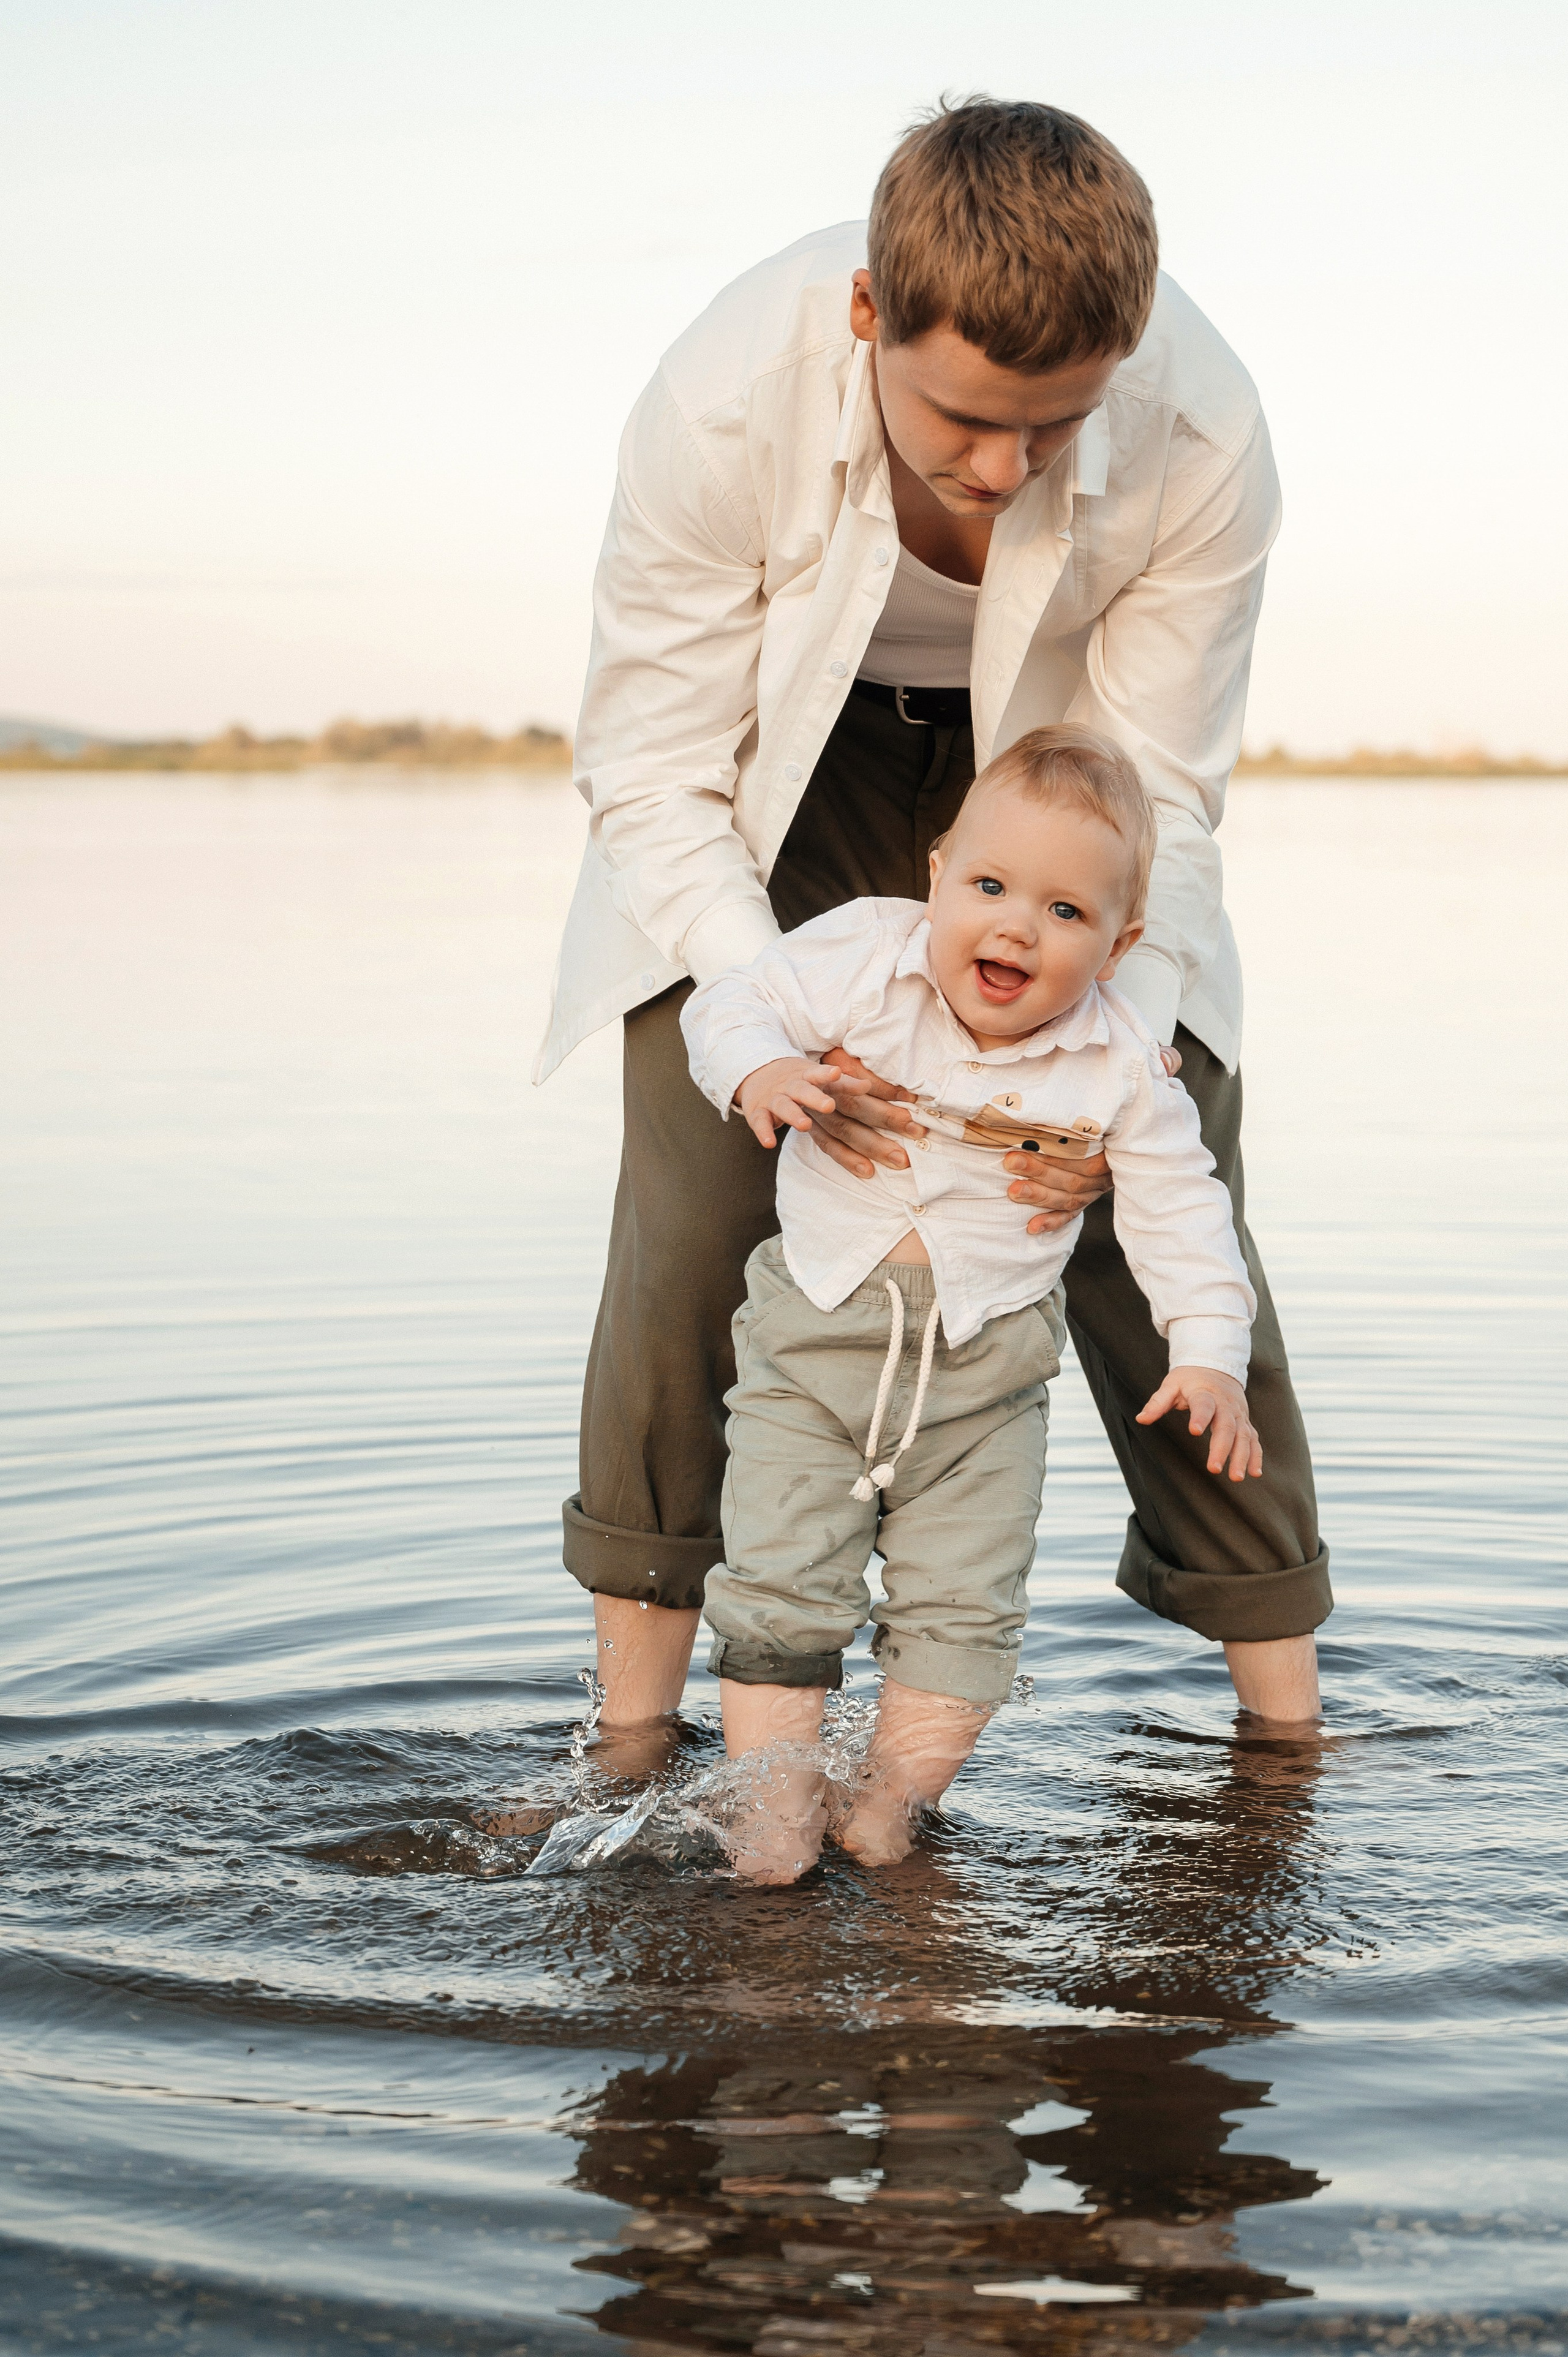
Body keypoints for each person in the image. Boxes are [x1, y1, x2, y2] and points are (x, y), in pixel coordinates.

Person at [537, 96, 1330, 1753]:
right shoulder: (720, 393)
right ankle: (628, 1737)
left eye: (1054, 427)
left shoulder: (1207, 432)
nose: (1002, 468)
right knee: (695, 1222)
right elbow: (654, 762)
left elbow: (1163, 798)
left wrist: (1128, 1050)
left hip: (1063, 803)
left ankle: (1287, 1731)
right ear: (865, 317)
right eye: (963, 418)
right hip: (767, 794)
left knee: (1166, 1207)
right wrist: (769, 1025)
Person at [682, 725, 1261, 1880]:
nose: (1015, 926)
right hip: (815, 1345)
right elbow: (731, 1004)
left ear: (1118, 943)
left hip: (986, 1380)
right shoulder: (863, 956)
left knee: (966, 1608)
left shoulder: (1118, 1060)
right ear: (938, 872)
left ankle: (890, 1810)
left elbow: (1182, 1208)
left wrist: (1210, 1355)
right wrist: (761, 1069)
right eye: (990, 886)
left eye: (1064, 912)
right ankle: (776, 1813)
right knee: (780, 1588)